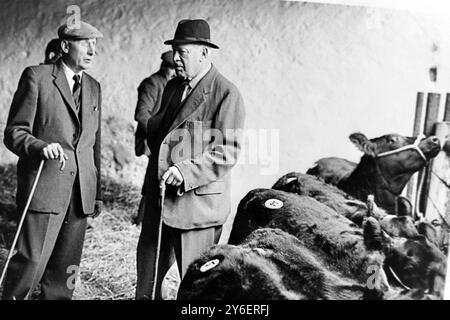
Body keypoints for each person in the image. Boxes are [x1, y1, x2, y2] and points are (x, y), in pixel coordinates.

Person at [136, 19, 245, 300]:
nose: (175, 58)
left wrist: (185, 171)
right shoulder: (172, 88)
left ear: (204, 54)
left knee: (197, 290)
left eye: (182, 52)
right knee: (146, 282)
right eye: (175, 51)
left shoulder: (226, 93)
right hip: (160, 200)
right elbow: (159, 131)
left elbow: (227, 151)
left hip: (197, 208)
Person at [2, 21, 103, 300]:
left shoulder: (94, 87)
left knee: (65, 273)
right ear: (65, 46)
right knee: (30, 265)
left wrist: (96, 194)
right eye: (85, 43)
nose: (93, 51)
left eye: (95, 45)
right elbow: (14, 133)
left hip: (80, 194)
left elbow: (94, 146)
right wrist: (39, 146)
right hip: (45, 189)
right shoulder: (37, 77)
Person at [133, 51, 176, 225]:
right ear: (165, 67)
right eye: (172, 69)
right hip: (153, 141)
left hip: (166, 141)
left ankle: (152, 219)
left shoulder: (171, 84)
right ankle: (142, 219)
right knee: (152, 178)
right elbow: (141, 114)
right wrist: (159, 135)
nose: (175, 73)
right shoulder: (152, 83)